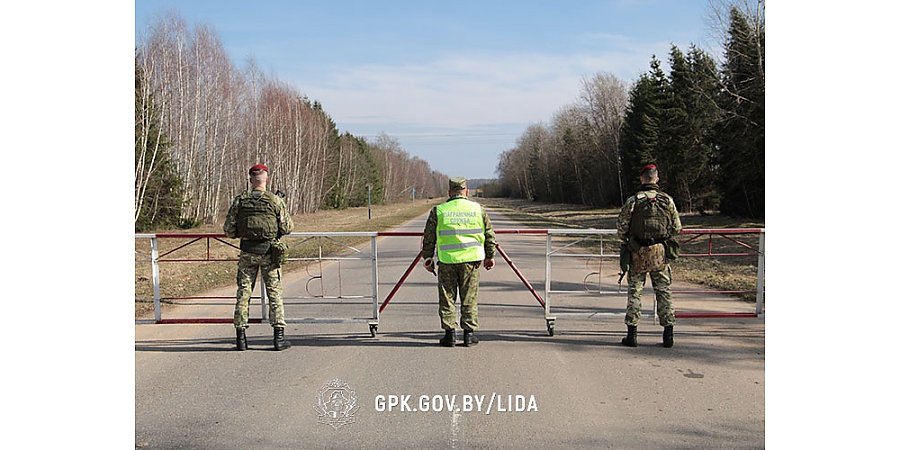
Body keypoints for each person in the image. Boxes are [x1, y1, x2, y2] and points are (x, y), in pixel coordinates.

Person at [224, 163, 294, 351]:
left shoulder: (240, 201)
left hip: (247, 252)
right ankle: (278, 339)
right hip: (269, 253)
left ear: (250, 180)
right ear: (266, 179)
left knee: (244, 293)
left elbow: (229, 230)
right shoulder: (275, 200)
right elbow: (287, 227)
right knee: (274, 293)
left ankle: (241, 339)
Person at [421, 177, 496, 347]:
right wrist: (490, 256)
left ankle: (450, 335)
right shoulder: (478, 209)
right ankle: (469, 335)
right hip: (472, 261)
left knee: (447, 298)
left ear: (449, 192)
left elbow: (429, 237)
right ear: (466, 192)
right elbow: (489, 235)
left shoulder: (439, 210)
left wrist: (427, 258)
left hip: (447, 261)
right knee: (469, 297)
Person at [616, 164, 682, 347]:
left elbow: (621, 228)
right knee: (664, 292)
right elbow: (677, 228)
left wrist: (631, 241)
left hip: (638, 252)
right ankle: (668, 336)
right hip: (660, 253)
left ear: (642, 179)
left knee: (635, 293)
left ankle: (632, 335)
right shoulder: (667, 200)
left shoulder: (633, 200)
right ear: (656, 179)